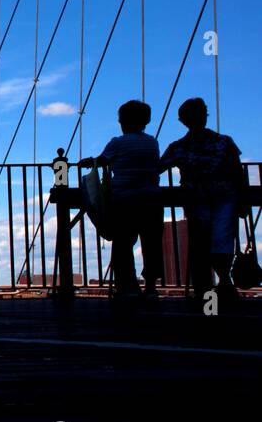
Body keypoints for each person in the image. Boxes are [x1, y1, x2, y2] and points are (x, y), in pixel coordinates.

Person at [159, 98, 244, 303]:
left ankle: (205, 291)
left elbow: (158, 168)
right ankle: (223, 284)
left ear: (182, 121)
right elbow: (237, 172)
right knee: (222, 241)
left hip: (197, 200)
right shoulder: (224, 142)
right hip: (223, 197)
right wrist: (243, 201)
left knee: (201, 243)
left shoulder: (178, 147)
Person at [80, 100, 164, 299]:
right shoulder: (152, 142)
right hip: (151, 198)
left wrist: (88, 162)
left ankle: (128, 287)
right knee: (151, 243)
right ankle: (151, 287)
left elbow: (102, 160)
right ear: (146, 121)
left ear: (122, 121)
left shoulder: (117, 142)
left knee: (123, 244)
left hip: (124, 199)